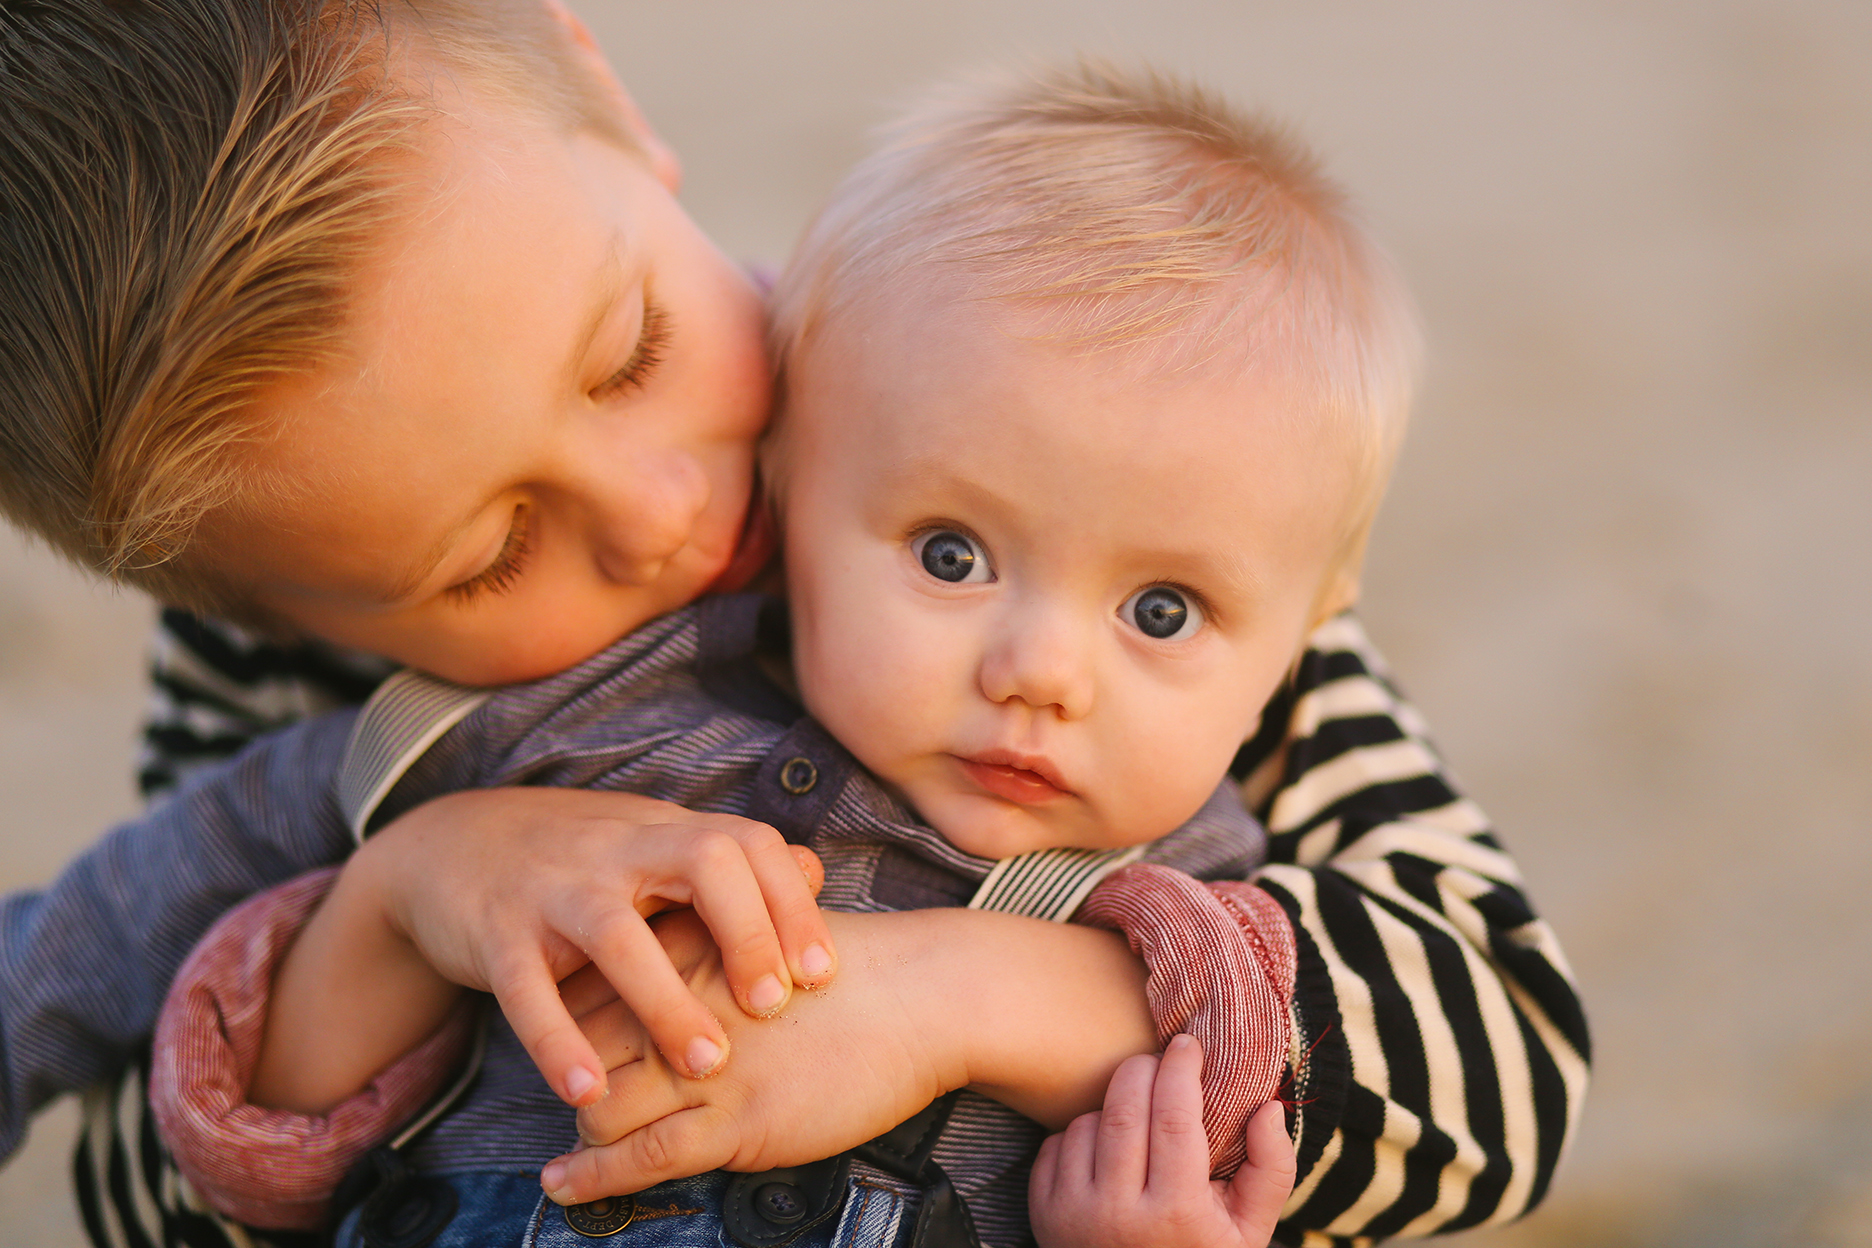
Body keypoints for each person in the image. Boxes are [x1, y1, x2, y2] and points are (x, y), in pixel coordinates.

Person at [0, 2, 1587, 1246]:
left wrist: (973, 997)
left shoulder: (1037, 421)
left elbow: (1508, 1062)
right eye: (488, 555)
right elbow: (149, 1196)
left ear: (601, 90)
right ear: (264, 600)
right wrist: (401, 894)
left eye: (627, 351)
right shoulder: (299, 669)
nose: (664, 506)